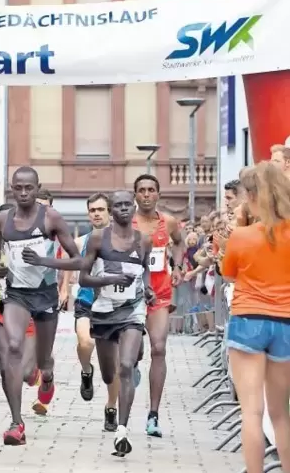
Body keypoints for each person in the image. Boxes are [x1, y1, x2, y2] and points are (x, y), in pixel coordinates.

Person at [0, 166, 84, 445]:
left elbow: (77, 259)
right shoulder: (2, 219)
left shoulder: (51, 218)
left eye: (28, 188)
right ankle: (16, 423)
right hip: (16, 295)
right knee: (14, 348)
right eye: (17, 188)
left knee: (41, 362)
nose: (22, 193)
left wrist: (44, 262)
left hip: (44, 296)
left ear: (37, 187)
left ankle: (48, 373)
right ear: (11, 188)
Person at [222, 162, 290, 473]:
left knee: (251, 411)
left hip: (248, 317)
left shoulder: (243, 235)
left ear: (252, 196)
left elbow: (228, 272)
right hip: (286, 321)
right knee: (279, 413)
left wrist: (240, 224)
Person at [79, 190, 154, 456]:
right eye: (118, 205)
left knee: (125, 367)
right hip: (103, 313)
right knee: (109, 374)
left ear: (133, 209)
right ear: (112, 210)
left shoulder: (144, 240)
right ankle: (129, 361)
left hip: (133, 311)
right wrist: (110, 280)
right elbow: (83, 279)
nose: (123, 209)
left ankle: (122, 431)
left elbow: (144, 270)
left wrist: (148, 289)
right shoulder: (98, 239)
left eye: (127, 204)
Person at [131, 173, 184, 438]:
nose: (147, 194)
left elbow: (180, 242)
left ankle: (153, 414)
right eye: (142, 190)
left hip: (160, 294)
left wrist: (177, 266)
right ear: (135, 195)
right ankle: (134, 358)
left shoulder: (169, 222)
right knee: (132, 353)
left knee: (159, 348)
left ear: (158, 194)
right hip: (131, 294)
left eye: (152, 190)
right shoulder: (126, 223)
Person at [63, 193, 122, 431]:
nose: (96, 214)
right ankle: (86, 371)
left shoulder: (121, 241)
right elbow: (70, 263)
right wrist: (64, 288)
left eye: (100, 209)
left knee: (112, 366)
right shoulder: (81, 242)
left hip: (112, 307)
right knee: (85, 343)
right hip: (86, 302)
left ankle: (111, 407)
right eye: (92, 210)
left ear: (109, 212)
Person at [0, 204, 41, 401]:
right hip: (0, 307)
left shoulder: (29, 244)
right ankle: (15, 413)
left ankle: (37, 370)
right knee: (4, 366)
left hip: (28, 309)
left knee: (25, 372)